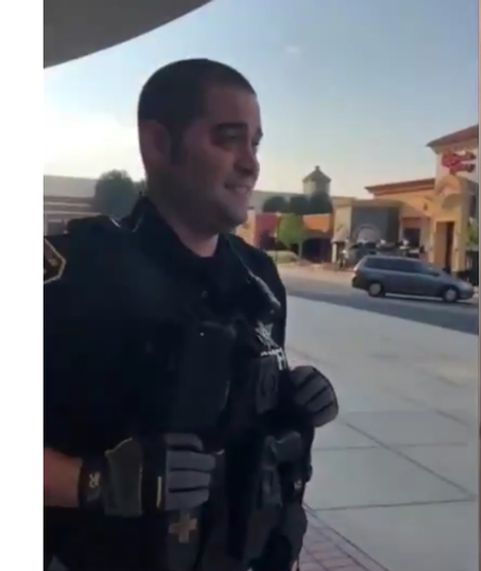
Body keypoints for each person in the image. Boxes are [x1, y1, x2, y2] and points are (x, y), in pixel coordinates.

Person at [44, 59, 339, 571]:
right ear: (158, 144)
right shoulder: (72, 274)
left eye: (255, 143)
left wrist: (291, 403)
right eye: (228, 139)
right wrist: (92, 482)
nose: (251, 164)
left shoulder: (258, 279)